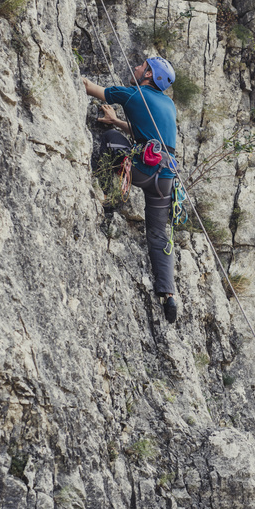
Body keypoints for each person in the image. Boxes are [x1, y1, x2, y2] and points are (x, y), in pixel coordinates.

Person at [83, 57, 178, 324]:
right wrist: (117, 120)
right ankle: (168, 294)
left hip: (142, 171)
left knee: (111, 140)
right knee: (159, 234)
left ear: (148, 74)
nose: (135, 67)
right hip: (165, 179)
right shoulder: (168, 103)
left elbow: (90, 87)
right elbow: (147, 134)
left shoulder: (134, 93)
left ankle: (110, 196)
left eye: (141, 65)